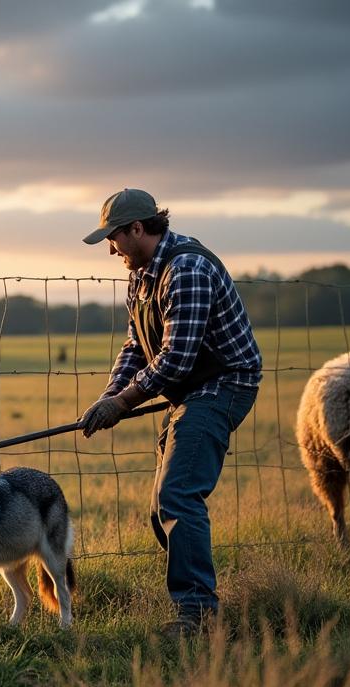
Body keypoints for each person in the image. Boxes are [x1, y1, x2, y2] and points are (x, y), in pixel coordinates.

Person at [77, 189, 262, 637]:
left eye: (114, 238)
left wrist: (122, 404)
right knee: (162, 503)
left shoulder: (187, 270)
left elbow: (176, 357)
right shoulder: (141, 275)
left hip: (222, 384)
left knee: (178, 495)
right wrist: (110, 395)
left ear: (138, 229)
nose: (110, 249)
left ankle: (198, 614)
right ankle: (194, 597)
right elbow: (136, 347)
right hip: (191, 388)